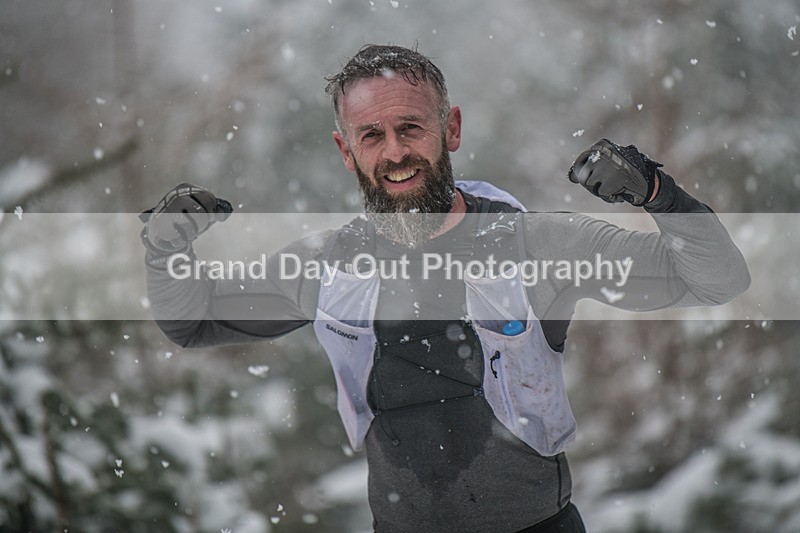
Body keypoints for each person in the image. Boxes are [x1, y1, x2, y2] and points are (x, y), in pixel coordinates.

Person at [141, 44, 750, 532]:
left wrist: (654, 194)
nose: (395, 152)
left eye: (411, 127)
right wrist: (164, 247)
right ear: (345, 151)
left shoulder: (535, 246)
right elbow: (190, 321)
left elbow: (716, 278)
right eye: (371, 135)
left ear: (450, 128)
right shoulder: (330, 265)